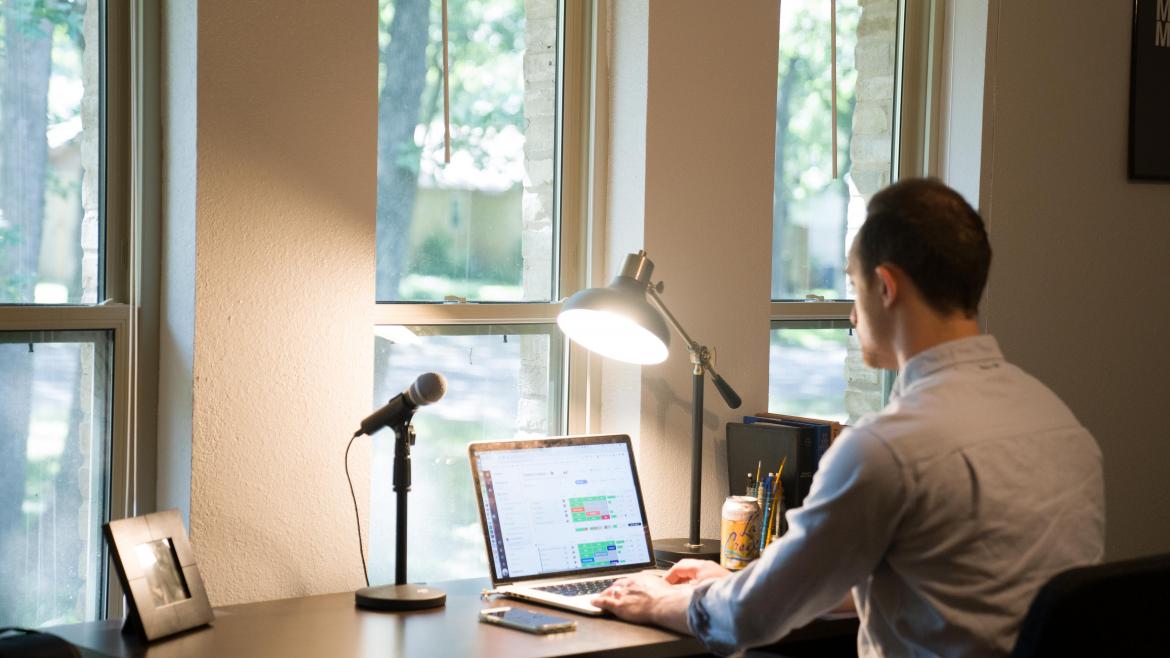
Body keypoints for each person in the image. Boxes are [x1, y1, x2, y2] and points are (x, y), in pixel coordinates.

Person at [592, 178, 1105, 658]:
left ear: (885, 287)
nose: (852, 315)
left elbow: (749, 618)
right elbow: (933, 589)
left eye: (854, 288)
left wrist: (653, 598)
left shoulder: (888, 449)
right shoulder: (1060, 423)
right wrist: (729, 583)